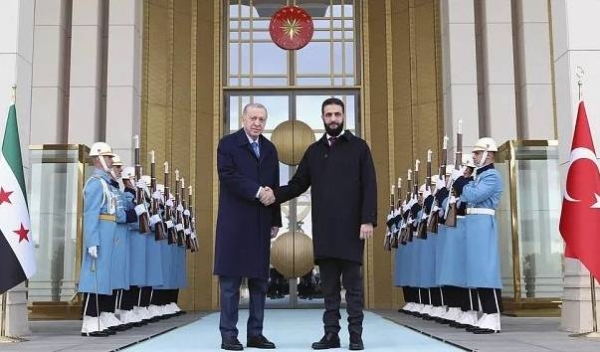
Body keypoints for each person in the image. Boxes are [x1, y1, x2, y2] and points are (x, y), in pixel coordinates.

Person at [266, 97, 377, 351]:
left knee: (353, 288)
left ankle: (356, 336)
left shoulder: (359, 148)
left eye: (337, 114)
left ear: (343, 116)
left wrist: (368, 219)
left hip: (352, 230)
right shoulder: (314, 152)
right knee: (329, 289)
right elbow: (297, 184)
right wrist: (274, 194)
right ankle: (331, 336)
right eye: (329, 115)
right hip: (325, 230)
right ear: (323, 118)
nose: (333, 119)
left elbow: (370, 185)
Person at [214, 103, 281, 351]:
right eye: (253, 118)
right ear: (243, 118)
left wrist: (276, 219)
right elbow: (227, 175)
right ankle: (229, 335)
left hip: (261, 222)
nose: (257, 123)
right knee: (230, 283)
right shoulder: (228, 144)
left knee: (259, 282)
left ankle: (256, 334)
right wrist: (256, 191)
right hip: (234, 222)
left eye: (262, 119)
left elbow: (273, 185)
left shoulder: (270, 149)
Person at [458, 137, 503, 334]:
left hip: (483, 223)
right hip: (474, 224)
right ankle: (485, 313)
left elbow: (472, 196)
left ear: (488, 154)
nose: (474, 157)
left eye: (476, 153)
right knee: (476, 270)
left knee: (485, 270)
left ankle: (493, 316)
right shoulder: (479, 176)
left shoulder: (492, 176)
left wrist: (461, 181)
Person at [79, 142, 118, 337]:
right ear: (99, 158)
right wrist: (92, 241)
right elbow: (91, 214)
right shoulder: (95, 183)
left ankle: (99, 318)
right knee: (93, 278)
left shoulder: (106, 183)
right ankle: (89, 321)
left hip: (107, 234)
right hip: (99, 234)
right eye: (108, 157)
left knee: (103, 279)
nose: (111, 160)